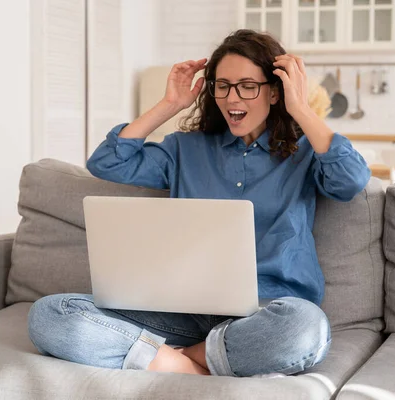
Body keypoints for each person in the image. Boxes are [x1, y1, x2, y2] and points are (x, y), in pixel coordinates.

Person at [28, 29, 371, 378]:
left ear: (272, 92)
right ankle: (197, 363)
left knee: (305, 330)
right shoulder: (184, 149)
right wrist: (171, 104)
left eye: (247, 86)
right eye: (222, 85)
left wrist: (299, 107)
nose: (232, 97)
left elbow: (351, 180)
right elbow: (107, 162)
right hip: (182, 311)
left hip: (267, 311)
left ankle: (165, 358)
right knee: (52, 314)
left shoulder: (305, 152)